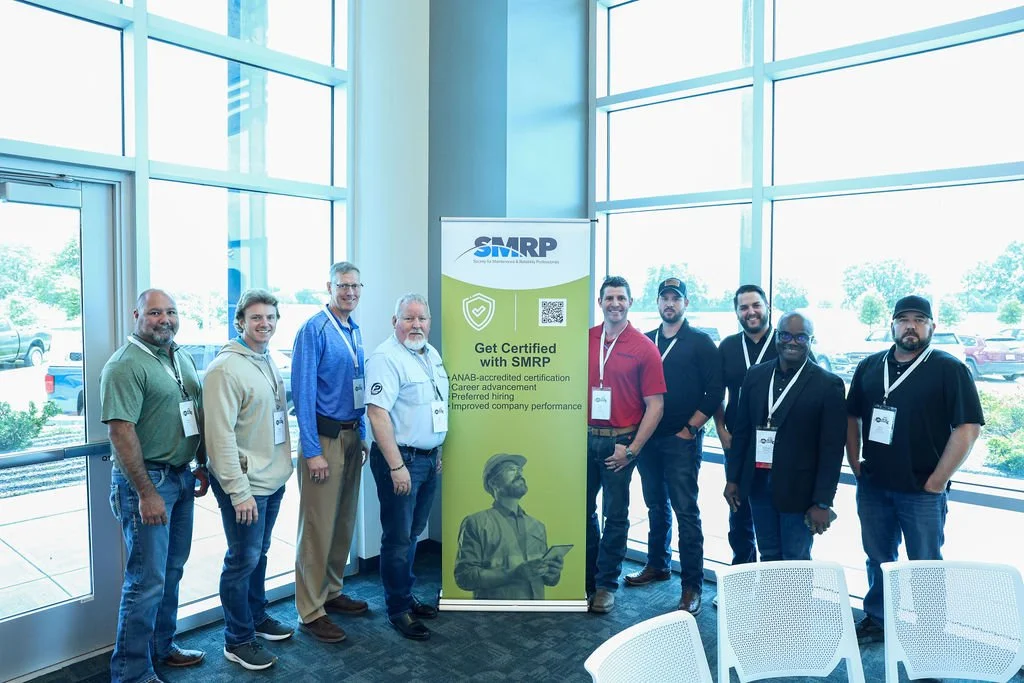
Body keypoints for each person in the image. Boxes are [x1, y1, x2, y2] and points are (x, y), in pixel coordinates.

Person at [846, 295, 983, 645]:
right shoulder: (870, 366)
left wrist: (938, 481)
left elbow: (967, 429)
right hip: (874, 485)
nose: (911, 325)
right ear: (892, 325)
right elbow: (852, 416)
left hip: (923, 490)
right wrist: (853, 459)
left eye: (919, 319)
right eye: (903, 319)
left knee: (925, 565)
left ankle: (930, 635)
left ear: (932, 327)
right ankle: (878, 618)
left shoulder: (949, 369)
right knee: (878, 558)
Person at [101, 289, 209, 683]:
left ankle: (163, 646)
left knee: (172, 570)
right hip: (147, 483)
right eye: (155, 312)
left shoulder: (178, 355)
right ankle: (131, 673)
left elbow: (190, 412)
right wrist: (146, 492)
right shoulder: (125, 365)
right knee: (145, 581)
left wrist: (199, 463)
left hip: (181, 475)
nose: (164, 319)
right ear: (137, 315)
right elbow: (120, 430)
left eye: (171, 311)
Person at [203, 289, 295, 670]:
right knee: (242, 560)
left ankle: (256, 617)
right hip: (245, 486)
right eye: (256, 318)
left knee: (259, 554)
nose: (265, 324)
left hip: (271, 477)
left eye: (270, 317)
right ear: (240, 321)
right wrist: (238, 492)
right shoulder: (226, 368)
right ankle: (237, 639)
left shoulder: (264, 357)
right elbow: (219, 436)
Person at [624, 277, 723, 616]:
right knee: (655, 505)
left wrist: (691, 427)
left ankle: (691, 585)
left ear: (686, 304)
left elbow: (715, 391)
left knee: (686, 511)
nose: (670, 304)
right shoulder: (647, 340)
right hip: (648, 438)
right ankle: (658, 564)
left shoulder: (699, 342)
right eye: (664, 298)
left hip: (681, 440)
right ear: (657, 303)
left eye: (675, 299)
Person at [723, 312, 846, 562]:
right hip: (757, 484)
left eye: (801, 337)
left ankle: (796, 603)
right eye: (786, 335)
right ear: (777, 336)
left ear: (811, 340)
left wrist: (822, 502)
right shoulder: (755, 376)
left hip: (799, 490)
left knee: (795, 558)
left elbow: (832, 449)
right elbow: (743, 431)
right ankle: (772, 603)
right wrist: (733, 479)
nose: (792, 342)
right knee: (768, 553)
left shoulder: (828, 384)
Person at [292, 262, 370, 643]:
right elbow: (303, 393)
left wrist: (365, 433)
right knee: (317, 526)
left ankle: (333, 592)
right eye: (343, 286)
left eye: (355, 286)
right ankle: (310, 609)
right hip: (323, 441)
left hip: (353, 437)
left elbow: (360, 388)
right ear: (329, 286)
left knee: (342, 521)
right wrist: (311, 451)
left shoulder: (354, 330)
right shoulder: (314, 329)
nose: (350, 292)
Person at [365, 293, 448, 641]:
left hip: (427, 460)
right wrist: (397, 466)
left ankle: (406, 596)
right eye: (409, 318)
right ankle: (398, 609)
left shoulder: (430, 353)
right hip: (402, 461)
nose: (416, 325)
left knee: (412, 534)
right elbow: (377, 413)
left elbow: (434, 405)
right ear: (394, 321)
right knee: (398, 539)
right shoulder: (386, 358)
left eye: (422, 319)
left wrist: (437, 447)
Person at [586, 275, 666, 615]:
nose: (614, 303)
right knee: (581, 512)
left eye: (621, 298)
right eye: (609, 298)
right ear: (600, 302)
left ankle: (605, 585)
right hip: (582, 438)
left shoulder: (644, 347)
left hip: (619, 444)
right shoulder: (585, 339)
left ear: (630, 302)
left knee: (615, 516)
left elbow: (656, 406)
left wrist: (631, 449)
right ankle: (586, 578)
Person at [713, 284, 774, 567]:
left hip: (778, 445)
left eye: (755, 305)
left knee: (775, 513)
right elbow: (714, 393)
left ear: (767, 306)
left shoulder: (785, 342)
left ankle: (776, 586)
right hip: (738, 444)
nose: (750, 312)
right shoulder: (728, 346)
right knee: (739, 513)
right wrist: (722, 430)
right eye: (744, 307)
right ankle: (742, 576)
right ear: (737, 311)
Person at [454, 454, 565, 601]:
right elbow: (464, 577)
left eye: (520, 470)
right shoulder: (476, 523)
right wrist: (513, 574)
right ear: (493, 483)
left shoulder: (538, 526)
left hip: (538, 614)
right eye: (511, 469)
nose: (519, 473)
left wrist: (553, 572)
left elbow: (548, 579)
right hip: (493, 617)